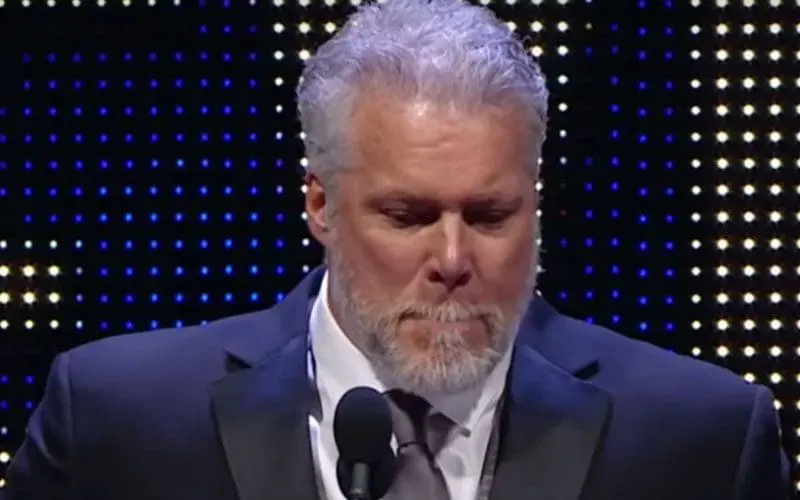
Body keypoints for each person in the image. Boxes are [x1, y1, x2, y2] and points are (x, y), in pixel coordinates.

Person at [2, 0, 790, 499]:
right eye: (408, 215)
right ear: (320, 204)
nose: (452, 258)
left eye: (491, 214)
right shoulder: (117, 417)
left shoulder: (701, 436)